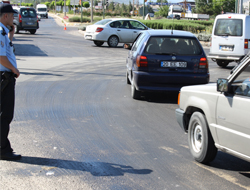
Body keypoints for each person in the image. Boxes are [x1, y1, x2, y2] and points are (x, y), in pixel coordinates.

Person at [0, 3, 21, 160]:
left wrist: (11, 36)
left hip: (5, 76)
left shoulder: (3, 32)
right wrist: (14, 70)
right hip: (4, 77)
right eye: (12, 15)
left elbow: (7, 50)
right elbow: (1, 57)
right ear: (5, 16)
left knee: (5, 115)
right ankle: (3, 150)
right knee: (4, 115)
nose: (14, 18)